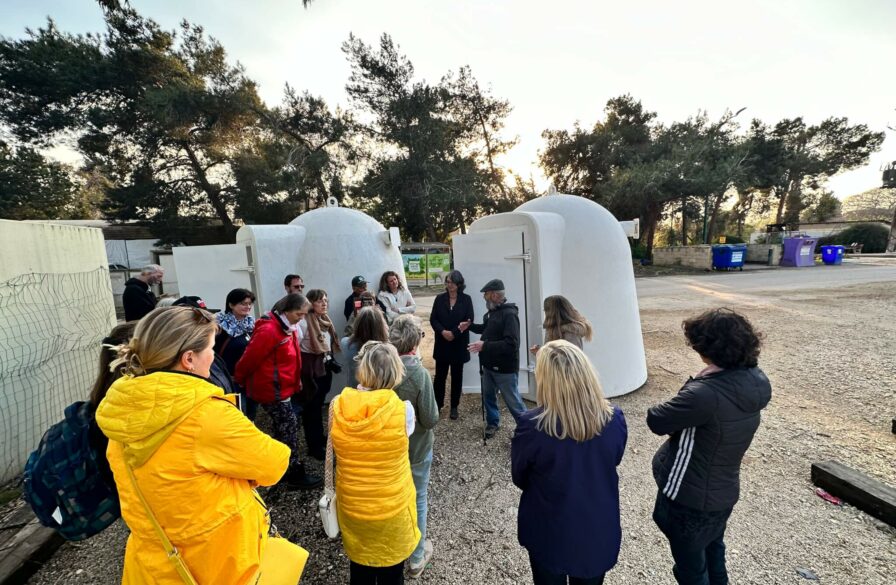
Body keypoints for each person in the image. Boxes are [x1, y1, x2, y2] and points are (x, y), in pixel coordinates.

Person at [96, 306, 291, 584]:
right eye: (211, 348)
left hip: (153, 561)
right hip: (214, 562)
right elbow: (275, 463)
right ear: (188, 359)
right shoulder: (205, 415)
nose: (214, 355)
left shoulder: (125, 408)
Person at [647, 308, 771, 585]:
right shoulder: (755, 379)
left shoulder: (705, 394)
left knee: (691, 570)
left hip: (688, 497)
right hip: (722, 492)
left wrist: (697, 381)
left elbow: (657, 420)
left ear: (709, 349)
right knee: (714, 551)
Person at [512, 341, 628, 585]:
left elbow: (520, 476)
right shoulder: (614, 418)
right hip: (597, 525)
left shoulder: (532, 425)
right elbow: (613, 460)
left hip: (549, 528)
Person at [329, 341, 420, 584]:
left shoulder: (337, 407)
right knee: (392, 571)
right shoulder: (404, 411)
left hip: (353, 504)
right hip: (392, 505)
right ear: (395, 371)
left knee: (359, 567)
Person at [235, 294, 322, 490]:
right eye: (299, 314)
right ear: (287, 310)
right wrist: (239, 379)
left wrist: (296, 381)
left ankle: (278, 466)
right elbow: (249, 359)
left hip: (281, 388)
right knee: (288, 428)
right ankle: (292, 473)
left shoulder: (285, 327)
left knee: (284, 427)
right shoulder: (270, 330)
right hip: (272, 390)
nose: (301, 318)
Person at [389, 316, 439, 578]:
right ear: (415, 341)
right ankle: (417, 557)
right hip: (417, 448)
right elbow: (430, 419)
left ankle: (395, 552)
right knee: (418, 499)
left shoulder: (383, 369)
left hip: (388, 451)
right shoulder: (419, 374)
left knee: (393, 501)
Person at [467, 278, 525, 439]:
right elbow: (486, 330)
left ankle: (528, 428)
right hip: (488, 366)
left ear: (493, 295)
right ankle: (493, 423)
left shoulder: (509, 315)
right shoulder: (491, 313)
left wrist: (484, 346)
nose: (484, 297)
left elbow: (512, 344)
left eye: (485, 295)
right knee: (489, 397)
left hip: (505, 369)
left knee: (513, 401)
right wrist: (470, 326)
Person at [297, 289, 339, 461]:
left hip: (324, 367)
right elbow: (296, 346)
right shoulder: (304, 322)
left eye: (326, 300)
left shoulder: (324, 320)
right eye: (320, 301)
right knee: (311, 408)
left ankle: (320, 438)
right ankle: (313, 445)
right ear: (310, 303)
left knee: (319, 405)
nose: (324, 303)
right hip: (311, 370)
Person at [430, 270, 474, 420]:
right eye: (447, 282)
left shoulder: (466, 299)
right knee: (440, 377)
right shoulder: (439, 298)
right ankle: (438, 404)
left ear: (459, 284)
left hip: (458, 344)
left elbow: (469, 320)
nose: (449, 285)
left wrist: (454, 333)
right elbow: (433, 319)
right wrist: (443, 332)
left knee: (457, 376)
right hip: (442, 343)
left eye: (452, 282)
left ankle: (454, 406)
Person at [215, 288, 258, 419]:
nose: (248, 307)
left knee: (251, 415)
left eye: (249, 303)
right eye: (243, 303)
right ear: (231, 305)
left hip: (250, 379)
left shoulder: (250, 324)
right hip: (231, 380)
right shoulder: (220, 327)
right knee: (239, 415)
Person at [340, 306, 389, 390]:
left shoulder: (345, 344)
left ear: (357, 323)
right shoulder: (386, 349)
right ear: (380, 325)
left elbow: (350, 334)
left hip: (354, 391)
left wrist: (355, 315)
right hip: (378, 394)